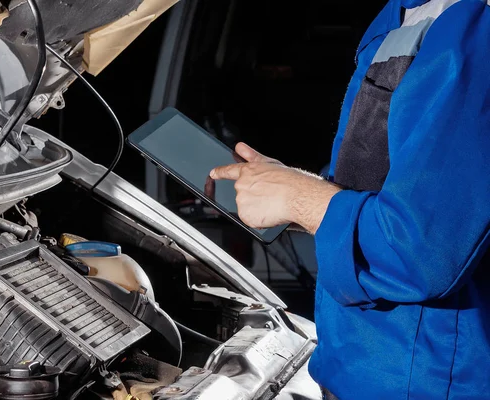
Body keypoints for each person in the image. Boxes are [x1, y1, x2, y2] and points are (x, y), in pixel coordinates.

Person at [210, 0, 490, 398]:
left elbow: (421, 251)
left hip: (425, 383)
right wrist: (290, 187)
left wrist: (303, 198)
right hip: (354, 366)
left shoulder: (476, 24)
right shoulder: (403, 13)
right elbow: (380, 175)